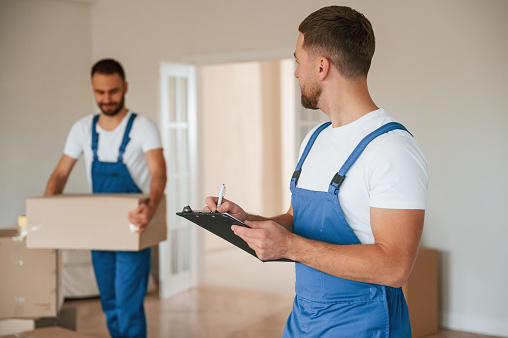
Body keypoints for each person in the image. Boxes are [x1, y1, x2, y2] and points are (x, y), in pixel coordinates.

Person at [205, 6, 428, 337]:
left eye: (298, 60)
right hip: (305, 318)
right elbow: (297, 221)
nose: (295, 72)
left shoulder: (391, 149)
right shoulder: (314, 139)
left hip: (366, 325)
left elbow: (395, 267)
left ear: (321, 66)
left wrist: (290, 247)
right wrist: (248, 222)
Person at [45, 58, 167, 338]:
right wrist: (47, 213)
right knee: (110, 305)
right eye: (99, 92)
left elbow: (159, 173)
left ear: (124, 87)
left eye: (112, 91)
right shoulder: (82, 129)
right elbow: (60, 175)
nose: (106, 98)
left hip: (133, 226)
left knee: (128, 307)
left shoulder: (143, 127)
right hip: (98, 229)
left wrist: (150, 206)